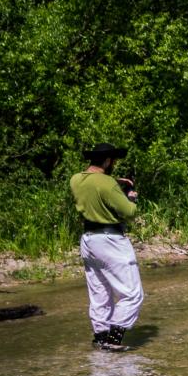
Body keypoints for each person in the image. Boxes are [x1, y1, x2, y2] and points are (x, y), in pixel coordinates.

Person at [70, 142, 144, 351]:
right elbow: (129, 212)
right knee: (132, 293)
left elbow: (96, 190)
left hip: (88, 240)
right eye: (114, 161)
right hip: (111, 240)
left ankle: (101, 337)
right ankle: (115, 339)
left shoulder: (75, 180)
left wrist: (114, 184)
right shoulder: (108, 183)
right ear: (108, 160)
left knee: (100, 291)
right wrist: (130, 195)